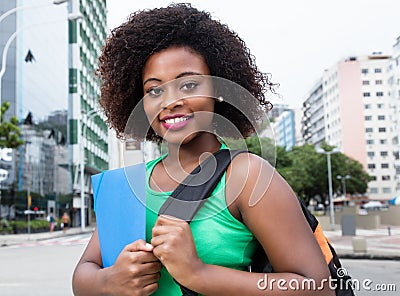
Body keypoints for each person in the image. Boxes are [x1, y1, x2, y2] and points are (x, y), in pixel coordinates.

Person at [72, 4, 335, 295]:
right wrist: (110, 281)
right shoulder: (125, 184)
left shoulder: (246, 177)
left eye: (188, 85)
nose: (170, 101)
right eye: (154, 90)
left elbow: (317, 287)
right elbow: (84, 273)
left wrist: (198, 273)